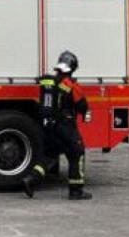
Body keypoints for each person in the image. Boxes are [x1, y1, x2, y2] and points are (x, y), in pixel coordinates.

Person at [22, 50, 93, 201]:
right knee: (77, 152)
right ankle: (76, 191)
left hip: (50, 126)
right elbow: (82, 105)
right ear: (71, 68)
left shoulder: (50, 82)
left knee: (50, 155)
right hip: (66, 126)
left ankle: (31, 179)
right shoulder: (71, 85)